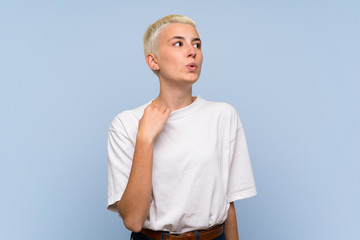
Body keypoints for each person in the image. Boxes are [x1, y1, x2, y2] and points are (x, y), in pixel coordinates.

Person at [107, 15, 257, 240]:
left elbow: (229, 204)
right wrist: (145, 139)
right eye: (178, 43)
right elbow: (133, 221)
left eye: (196, 44)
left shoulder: (224, 116)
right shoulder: (126, 124)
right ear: (153, 61)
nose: (192, 51)